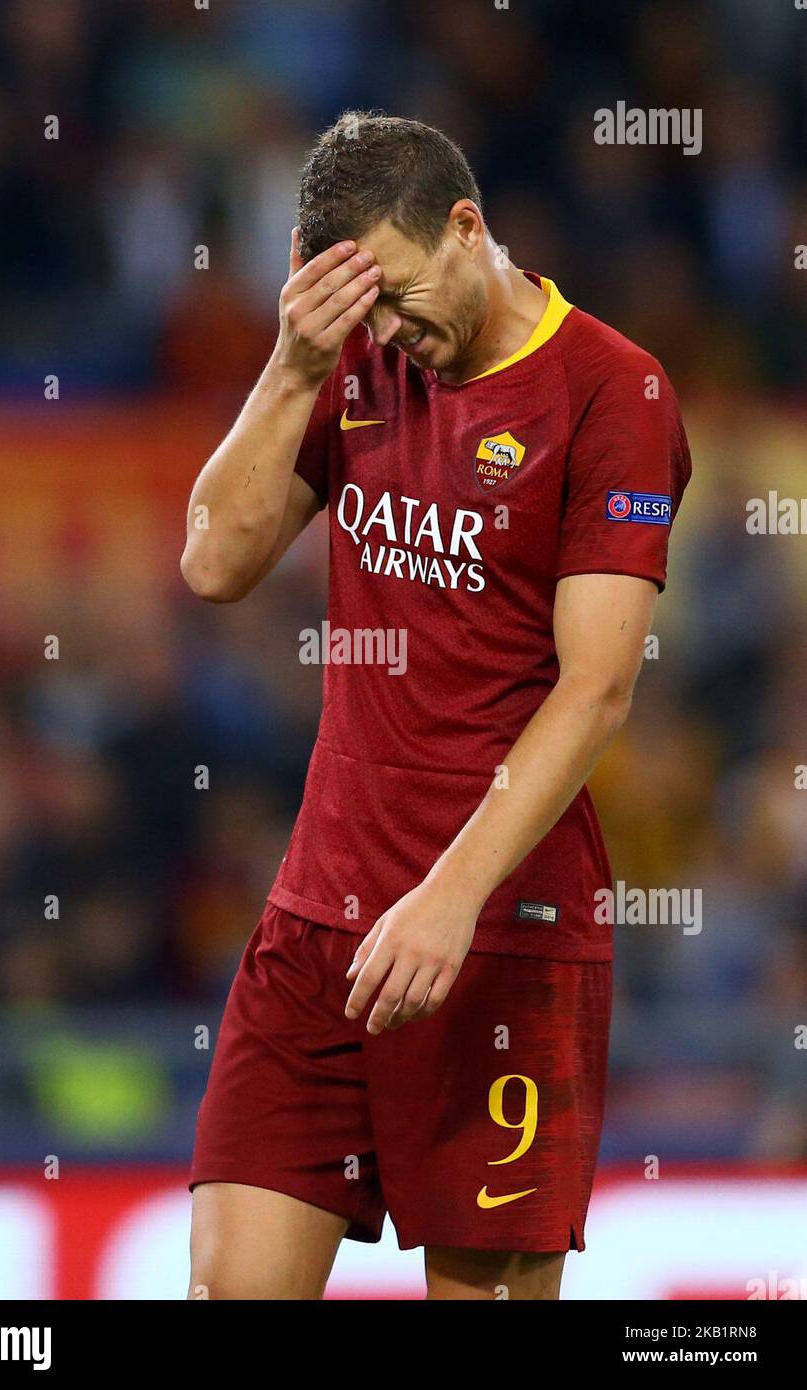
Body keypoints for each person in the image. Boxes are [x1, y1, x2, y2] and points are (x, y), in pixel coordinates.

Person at [180, 112, 691, 1300]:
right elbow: (211, 561)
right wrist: (293, 365)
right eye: (357, 310)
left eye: (400, 295)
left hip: (499, 934)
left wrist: (447, 900)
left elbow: (598, 686)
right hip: (317, 920)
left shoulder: (614, 390)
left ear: (467, 227)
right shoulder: (354, 354)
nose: (389, 330)